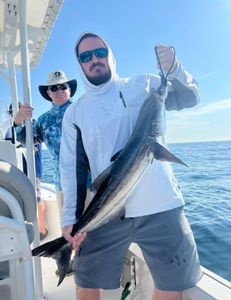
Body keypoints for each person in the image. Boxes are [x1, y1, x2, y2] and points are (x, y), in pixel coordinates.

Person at [60, 32, 202, 300]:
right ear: (80, 64)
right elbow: (72, 168)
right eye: (86, 57)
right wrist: (70, 218)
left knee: (172, 284)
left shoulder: (146, 86)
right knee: (86, 279)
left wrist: (174, 68)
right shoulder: (75, 113)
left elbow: (189, 97)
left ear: (110, 55)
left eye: (100, 53)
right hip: (107, 210)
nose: (94, 60)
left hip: (161, 206)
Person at [14, 70, 77, 273]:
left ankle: (88, 266)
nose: (59, 90)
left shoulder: (83, 110)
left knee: (92, 229)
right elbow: (25, 139)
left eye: (63, 86)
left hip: (92, 182)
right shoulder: (43, 120)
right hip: (63, 186)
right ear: (48, 93)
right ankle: (67, 263)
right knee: (68, 231)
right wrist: (18, 120)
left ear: (69, 89)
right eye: (54, 88)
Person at [6, 104, 48, 240]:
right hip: (17, 171)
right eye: (11, 112)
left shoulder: (33, 125)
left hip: (34, 170)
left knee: (37, 198)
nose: (14, 113)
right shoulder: (10, 129)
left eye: (16, 111)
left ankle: (42, 230)